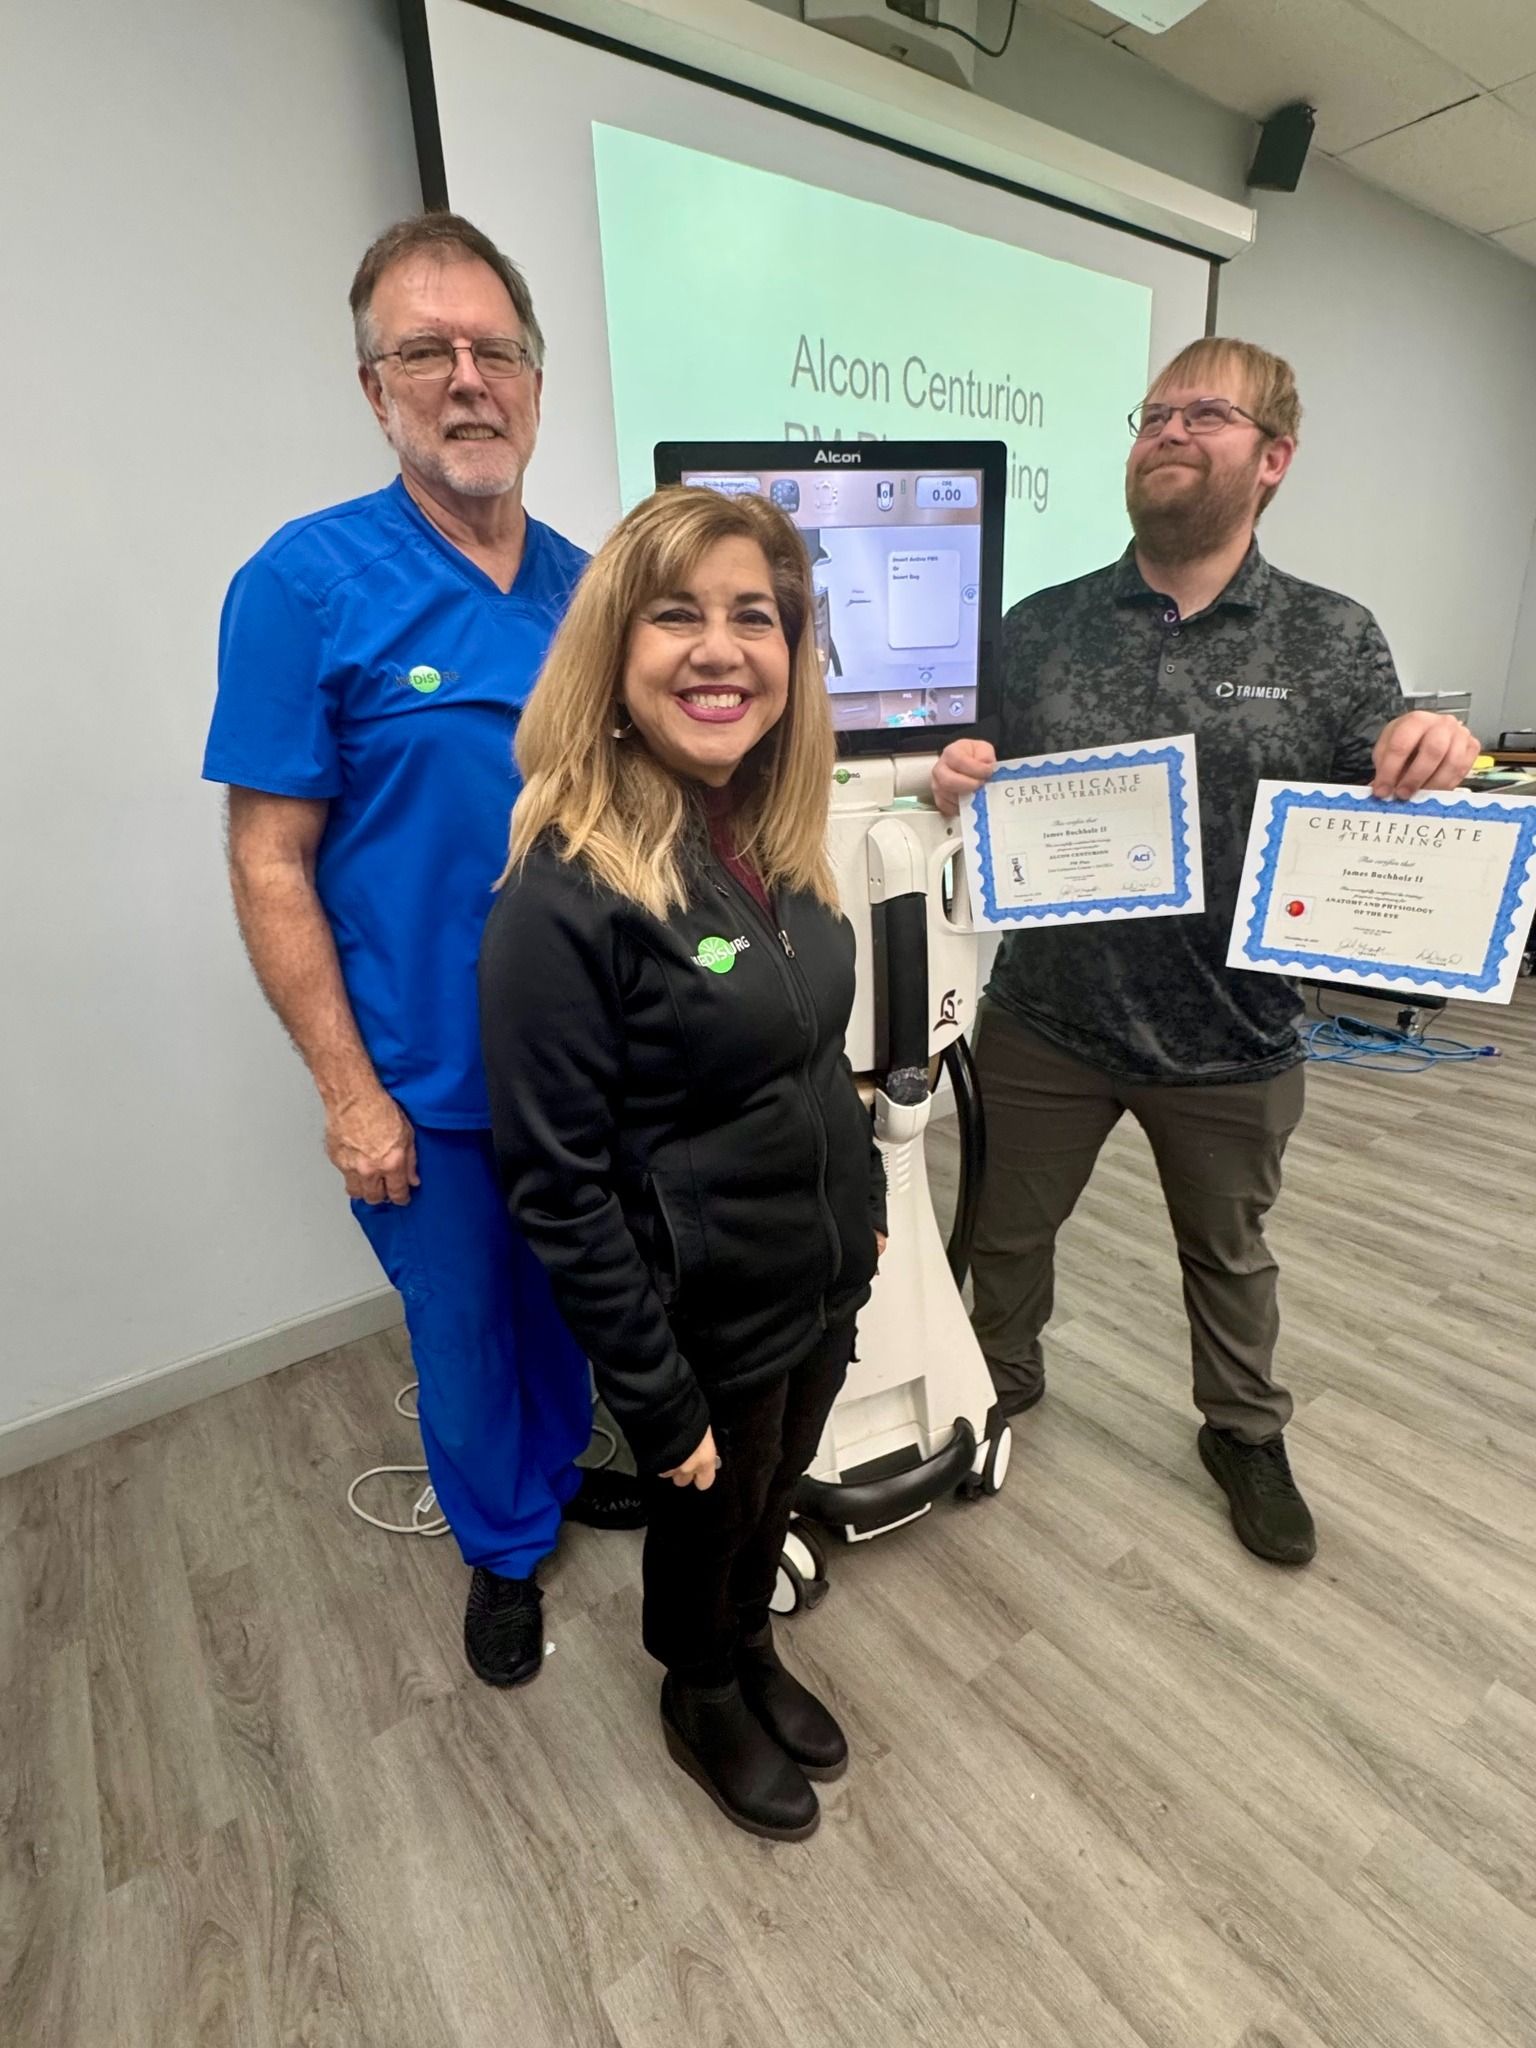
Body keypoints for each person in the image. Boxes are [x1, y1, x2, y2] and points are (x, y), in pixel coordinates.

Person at [934, 338, 1480, 1568]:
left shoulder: (1333, 637)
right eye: (1155, 413)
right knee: (1005, 1233)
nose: (1170, 431)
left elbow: (1375, 799)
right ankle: (995, 1379)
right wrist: (953, 774)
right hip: (1048, 1025)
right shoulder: (1039, 626)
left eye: (1209, 414)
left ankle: (1241, 1428)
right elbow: (974, 777)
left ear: (1272, 460)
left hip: (1233, 1031)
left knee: (1229, 1255)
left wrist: (1428, 752)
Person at [203, 213, 644, 1691]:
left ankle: (559, 1470)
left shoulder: (596, 590)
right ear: (372, 386)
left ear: (534, 377)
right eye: (424, 351)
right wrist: (346, 1088)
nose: (467, 379)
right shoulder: (306, 583)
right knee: (463, 1331)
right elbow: (271, 858)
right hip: (427, 1078)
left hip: (583, 1066)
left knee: (575, 1301)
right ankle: (503, 1547)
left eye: (494, 350)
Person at [478, 487, 887, 1841]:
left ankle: (753, 1650)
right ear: (616, 650)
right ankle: (698, 1686)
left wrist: (869, 1212)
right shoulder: (562, 890)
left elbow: (820, 1056)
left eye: (753, 617)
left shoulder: (773, 837)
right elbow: (555, 1182)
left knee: (772, 1499)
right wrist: (654, 1396)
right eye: (678, 615)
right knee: (709, 1514)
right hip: (700, 1311)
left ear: (792, 655)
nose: (720, 648)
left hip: (814, 1275)